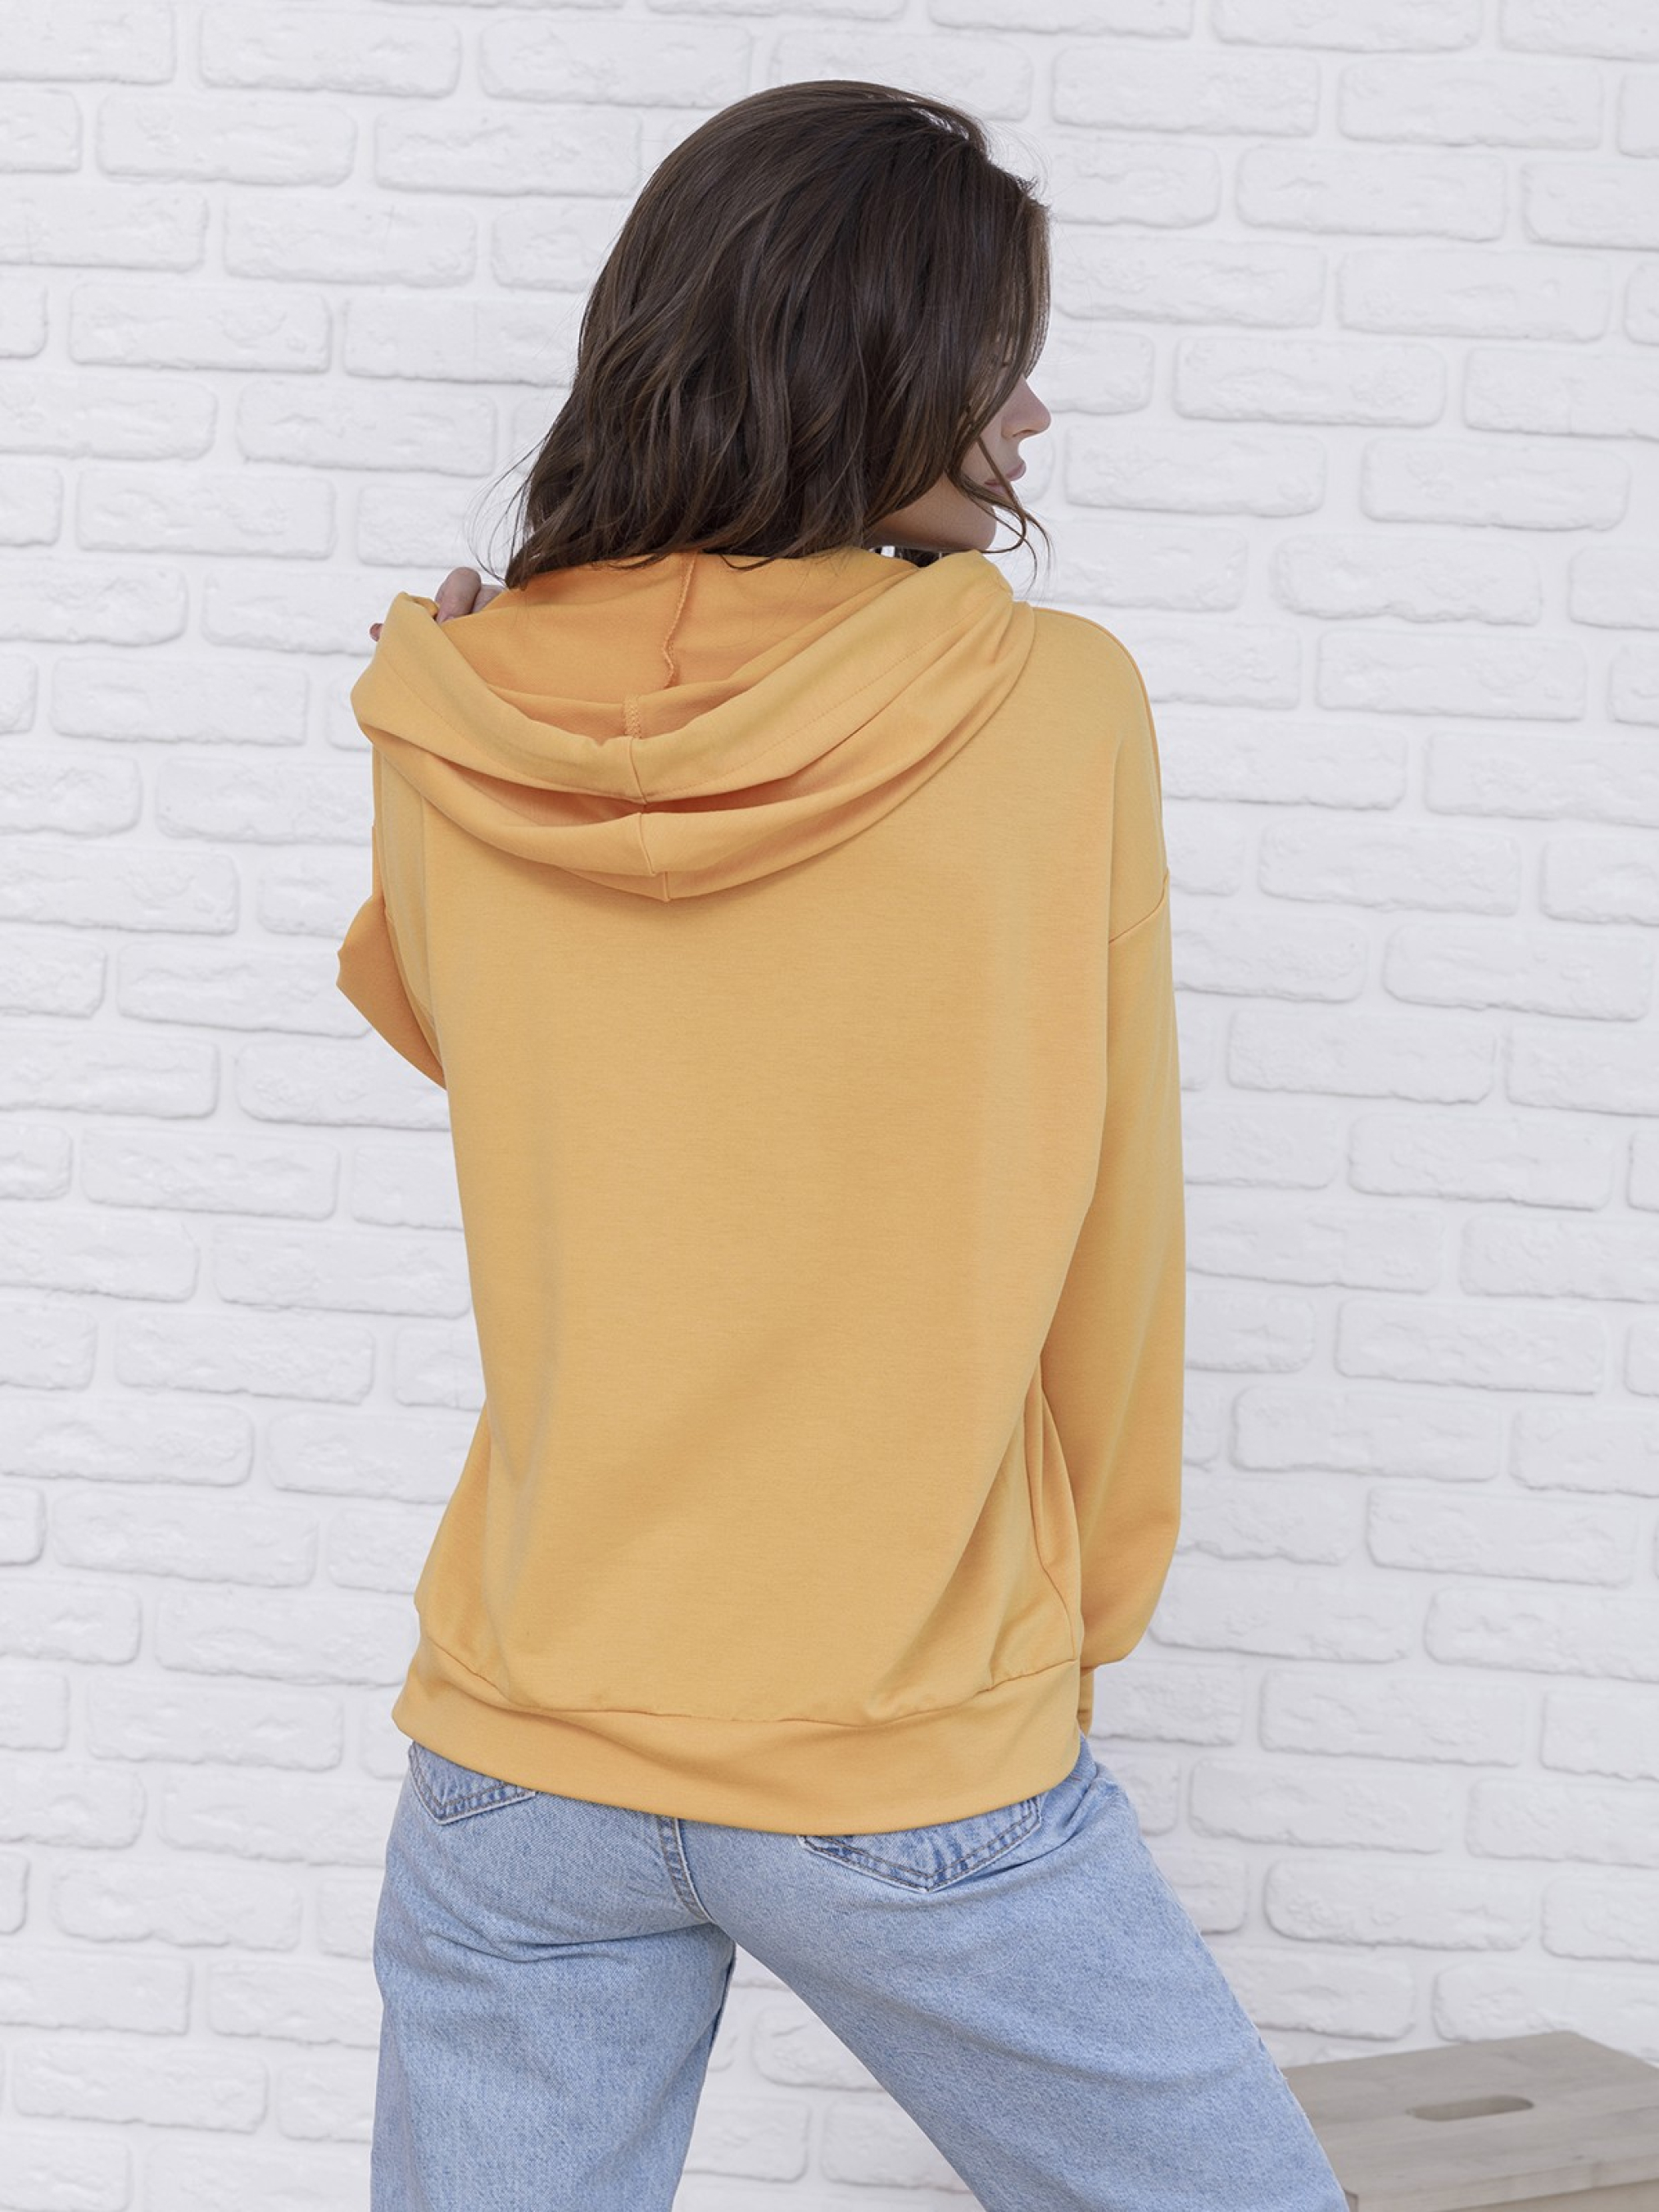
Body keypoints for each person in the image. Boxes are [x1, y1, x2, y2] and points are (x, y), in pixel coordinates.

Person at [341, 77, 1349, 2212]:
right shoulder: (1048, 708)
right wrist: (1075, 1614)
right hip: (902, 1730)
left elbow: (486, 1046)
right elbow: (1116, 1222)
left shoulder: (454, 707)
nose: (1032, 415)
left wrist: (445, 722)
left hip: (523, 1736)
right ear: (867, 363)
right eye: (997, 362)